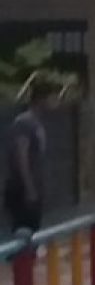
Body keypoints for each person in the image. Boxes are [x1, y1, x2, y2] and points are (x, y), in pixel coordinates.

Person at [4, 79, 58, 232]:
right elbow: (21, 156)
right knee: (24, 232)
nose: (55, 102)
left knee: (33, 231)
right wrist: (29, 188)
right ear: (41, 99)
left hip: (33, 187)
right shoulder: (24, 122)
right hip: (21, 190)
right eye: (52, 98)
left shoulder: (37, 123)